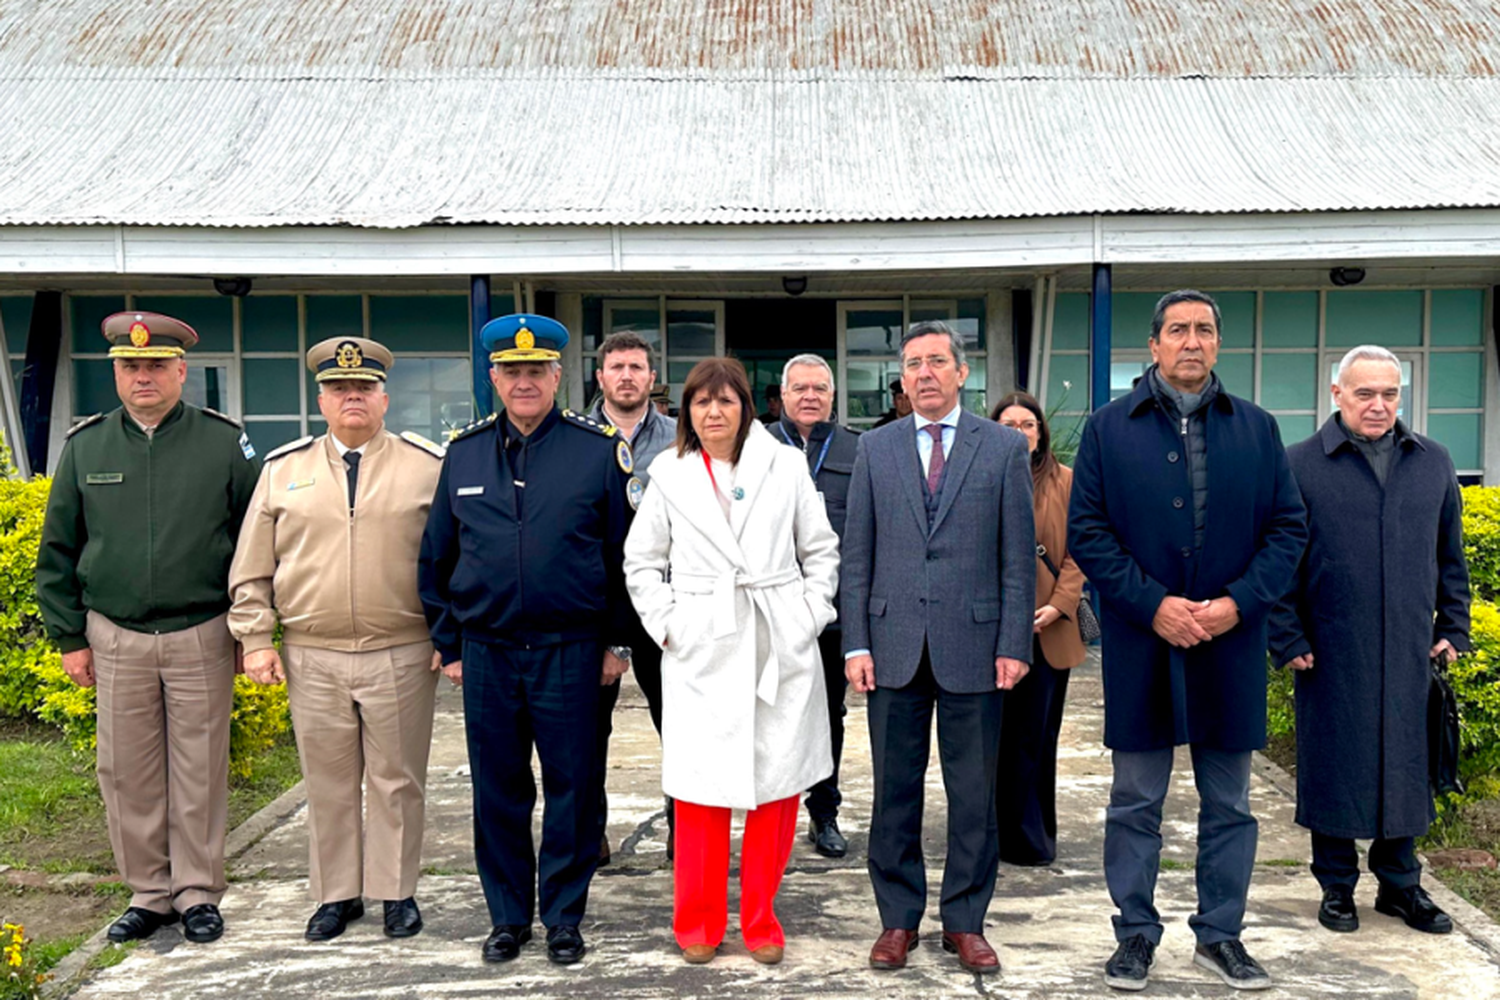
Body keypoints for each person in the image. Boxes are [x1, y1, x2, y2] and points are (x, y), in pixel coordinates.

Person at [1068, 290, 1306, 992]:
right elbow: (1089, 532)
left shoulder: (1258, 429)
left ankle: (1221, 936)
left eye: (1204, 330)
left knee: (1229, 804)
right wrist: (1152, 604)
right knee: (1136, 800)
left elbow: (1288, 529)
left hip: (1228, 645)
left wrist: (1238, 605)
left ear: (1218, 344)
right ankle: (1135, 934)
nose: (1191, 342)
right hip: (1145, 645)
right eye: (1178, 330)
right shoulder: (1110, 429)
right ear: (1154, 345)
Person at [418, 314, 639, 965]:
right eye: (511, 372)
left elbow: (626, 556)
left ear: (556, 375)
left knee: (574, 787)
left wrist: (617, 643)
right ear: (493, 377)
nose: (523, 382)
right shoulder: (462, 454)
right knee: (499, 790)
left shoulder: (597, 451)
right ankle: (509, 917)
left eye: (535, 371)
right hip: (487, 654)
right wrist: (450, 643)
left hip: (571, 651)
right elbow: (435, 557)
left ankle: (565, 916)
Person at [35, 311, 261, 946]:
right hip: (117, 636)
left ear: (181, 371)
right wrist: (69, 637)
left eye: (156, 366)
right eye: (130, 367)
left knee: (199, 768)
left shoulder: (224, 443)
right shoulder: (87, 446)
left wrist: (251, 630)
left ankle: (197, 892)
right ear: (115, 373)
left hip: (201, 631)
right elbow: (58, 549)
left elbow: (257, 540)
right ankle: (149, 893)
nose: (143, 377)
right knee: (127, 771)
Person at [623, 357, 840, 966]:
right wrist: (670, 626)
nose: (714, 412)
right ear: (686, 411)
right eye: (701, 402)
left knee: (776, 789)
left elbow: (820, 550)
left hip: (777, 636)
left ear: (748, 406)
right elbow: (641, 563)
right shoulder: (667, 472)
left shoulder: (785, 464)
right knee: (699, 791)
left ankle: (761, 919)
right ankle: (697, 921)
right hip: (702, 643)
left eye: (726, 401)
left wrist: (805, 615)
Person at [228, 337, 446, 942]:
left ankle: (395, 892)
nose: (353, 397)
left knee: (398, 778)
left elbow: (453, 560)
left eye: (364, 388)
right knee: (325, 779)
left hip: (402, 647)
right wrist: (255, 638)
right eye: (339, 389)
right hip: (312, 650)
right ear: (321, 400)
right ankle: (336, 895)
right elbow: (251, 566)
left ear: (384, 397)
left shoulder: (427, 466)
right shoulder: (283, 470)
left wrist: (448, 635)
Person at [842, 320, 1035, 976]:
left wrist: (1014, 641)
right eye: (912, 364)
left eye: (935, 362)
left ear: (960, 373)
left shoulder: (1004, 447)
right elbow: (857, 554)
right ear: (903, 378)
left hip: (977, 647)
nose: (923, 373)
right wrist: (856, 643)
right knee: (895, 791)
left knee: (973, 794)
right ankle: (898, 919)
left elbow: (1016, 557)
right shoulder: (877, 448)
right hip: (892, 645)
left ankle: (965, 921)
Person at [1269, 345, 1471, 937]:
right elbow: (1280, 563)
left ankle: (1400, 886)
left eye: (1390, 394)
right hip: (1331, 650)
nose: (1379, 405)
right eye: (1365, 394)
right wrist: (1287, 637)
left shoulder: (1432, 461)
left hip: (1411, 648)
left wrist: (1452, 628)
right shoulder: (1300, 464)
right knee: (1335, 764)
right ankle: (1336, 887)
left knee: (1406, 764)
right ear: (1337, 394)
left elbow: (1450, 559)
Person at [587, 331, 678, 861]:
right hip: (595, 607)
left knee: (680, 724)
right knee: (587, 730)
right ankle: (589, 830)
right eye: (616, 366)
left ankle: (684, 830)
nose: (626, 375)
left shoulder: (679, 438)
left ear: (651, 377)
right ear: (600, 377)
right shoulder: (574, 435)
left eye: (636, 367)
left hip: (667, 605)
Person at [767, 352, 860, 858]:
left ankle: (824, 814)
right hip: (768, 613)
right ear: (782, 396)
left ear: (831, 396)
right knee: (769, 714)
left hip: (832, 615)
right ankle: (771, 816)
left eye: (819, 389)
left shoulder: (858, 449)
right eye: (799, 388)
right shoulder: (756, 446)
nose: (809, 396)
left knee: (829, 716)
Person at [991, 391, 1087, 867]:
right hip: (991, 631)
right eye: (1008, 424)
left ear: (1040, 432)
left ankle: (1030, 838)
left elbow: (1081, 551)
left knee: (1036, 737)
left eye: (1027, 424)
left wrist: (1058, 605)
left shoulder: (1067, 481)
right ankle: (990, 834)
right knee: (995, 739)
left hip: (1049, 629)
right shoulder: (979, 479)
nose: (1018, 432)